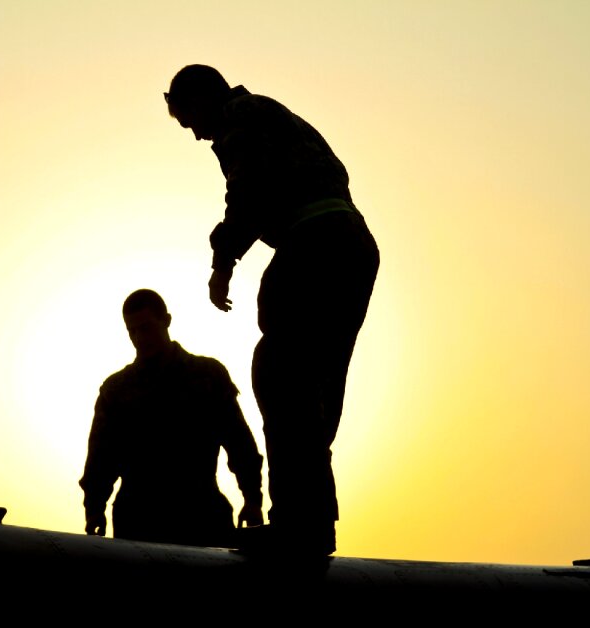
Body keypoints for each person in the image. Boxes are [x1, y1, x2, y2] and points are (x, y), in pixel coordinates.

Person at [164, 65, 380, 555]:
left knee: (282, 375)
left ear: (203, 99)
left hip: (316, 243)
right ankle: (312, 522)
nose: (198, 135)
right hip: (352, 245)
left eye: (190, 119)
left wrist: (224, 259)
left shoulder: (240, 117)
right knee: (316, 387)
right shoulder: (274, 115)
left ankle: (299, 524)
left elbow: (248, 187)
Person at [79, 289, 264, 547]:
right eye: (132, 331)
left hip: (201, 517)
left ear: (166, 320)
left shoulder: (208, 376)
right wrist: (94, 508)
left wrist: (252, 499)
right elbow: (101, 457)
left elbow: (239, 442)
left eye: (146, 328)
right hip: (139, 523)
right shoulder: (116, 390)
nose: (139, 338)